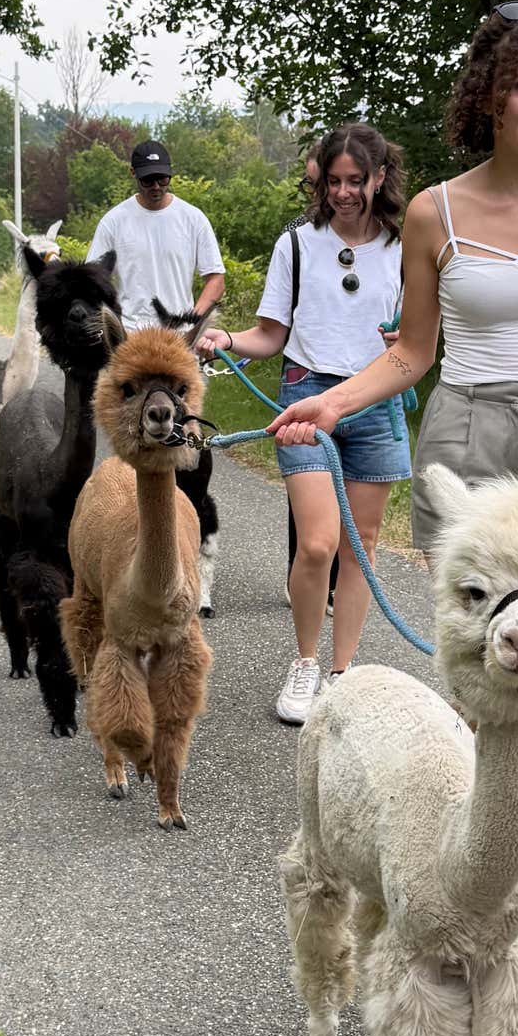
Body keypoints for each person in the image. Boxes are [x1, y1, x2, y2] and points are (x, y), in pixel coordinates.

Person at [272, 2, 518, 559]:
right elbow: (412, 353)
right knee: (469, 632)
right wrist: (333, 404)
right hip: (463, 432)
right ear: (490, 94)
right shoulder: (432, 211)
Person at [200, 124, 409, 723]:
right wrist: (226, 340)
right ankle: (306, 662)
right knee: (316, 543)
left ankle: (343, 675)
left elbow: (420, 340)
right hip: (306, 394)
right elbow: (271, 335)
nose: (344, 193)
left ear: (379, 178)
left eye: (356, 181)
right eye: (334, 181)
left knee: (359, 548)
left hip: (375, 399)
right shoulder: (296, 243)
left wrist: (405, 336)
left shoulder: (403, 245)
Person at [87, 140, 226, 335]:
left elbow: (216, 280)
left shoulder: (193, 219)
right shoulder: (113, 222)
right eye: (148, 180)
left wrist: (193, 323)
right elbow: (93, 281)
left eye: (162, 179)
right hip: (131, 335)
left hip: (180, 337)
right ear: (133, 173)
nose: (156, 187)